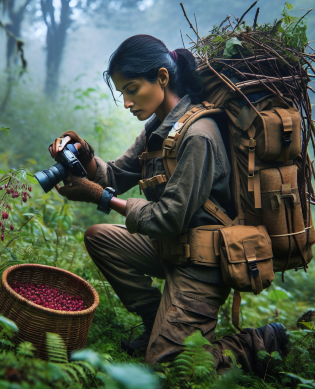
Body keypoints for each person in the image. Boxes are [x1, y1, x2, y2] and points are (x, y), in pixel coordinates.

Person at [48, 35, 288, 374]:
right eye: (122, 94)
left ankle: (260, 342)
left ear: (162, 77)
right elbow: (114, 175)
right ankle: (155, 321)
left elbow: (169, 218)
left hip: (202, 264)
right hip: (170, 248)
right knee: (100, 237)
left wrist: (98, 196)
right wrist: (83, 155)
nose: (127, 102)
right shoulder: (158, 130)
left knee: (170, 369)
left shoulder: (199, 134)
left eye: (132, 89)